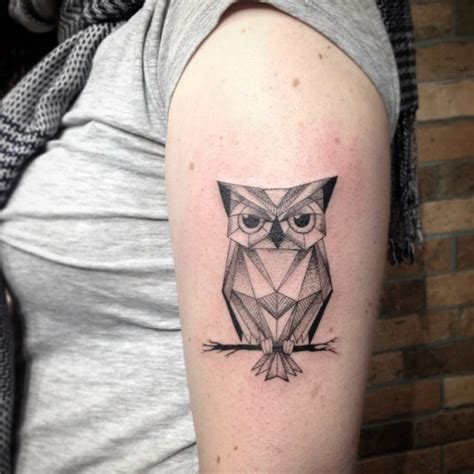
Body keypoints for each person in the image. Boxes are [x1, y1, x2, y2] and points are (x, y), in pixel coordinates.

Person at [0, 0, 417, 472]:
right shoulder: (89, 42)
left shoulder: (265, 39)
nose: (276, 235)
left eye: (298, 221)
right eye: (257, 222)